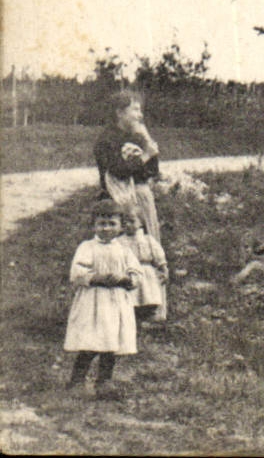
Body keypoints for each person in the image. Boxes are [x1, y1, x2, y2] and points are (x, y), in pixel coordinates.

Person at [64, 201, 141, 397]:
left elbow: (136, 273)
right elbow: (77, 271)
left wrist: (124, 279)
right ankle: (76, 381)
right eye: (101, 223)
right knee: (91, 342)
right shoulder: (87, 247)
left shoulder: (124, 250)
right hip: (94, 302)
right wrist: (96, 277)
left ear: (121, 226)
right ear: (94, 225)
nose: (106, 228)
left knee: (111, 344)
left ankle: (104, 382)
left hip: (115, 303)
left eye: (111, 223)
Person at [93, 94, 161, 242]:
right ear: (120, 112)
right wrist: (145, 156)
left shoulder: (138, 137)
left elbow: (153, 171)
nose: (140, 115)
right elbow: (118, 171)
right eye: (135, 110)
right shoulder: (107, 139)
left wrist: (147, 139)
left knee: (147, 245)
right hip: (118, 201)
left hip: (142, 199)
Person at [120, 212, 167, 324]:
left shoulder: (147, 239)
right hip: (130, 272)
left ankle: (150, 317)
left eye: (132, 221)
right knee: (132, 298)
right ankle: (134, 319)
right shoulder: (120, 241)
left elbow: (158, 254)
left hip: (146, 271)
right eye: (124, 222)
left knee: (148, 294)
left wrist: (163, 268)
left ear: (141, 223)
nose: (127, 225)